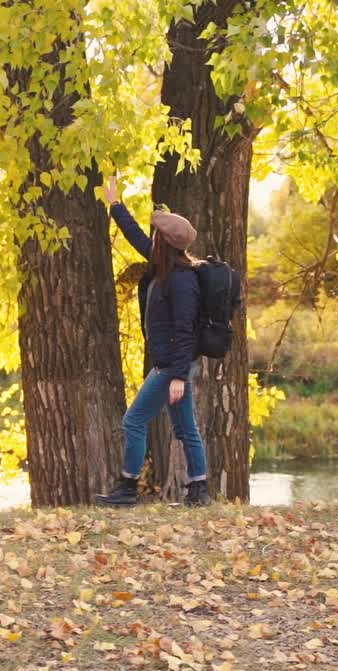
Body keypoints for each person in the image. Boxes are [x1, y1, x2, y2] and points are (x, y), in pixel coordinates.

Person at [96, 175, 210, 507]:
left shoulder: (182, 281)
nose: (152, 236)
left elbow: (185, 331)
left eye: (156, 233)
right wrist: (115, 204)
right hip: (170, 366)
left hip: (170, 367)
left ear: (165, 241)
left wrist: (177, 375)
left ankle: (128, 487)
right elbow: (134, 235)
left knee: (134, 419)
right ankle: (199, 490)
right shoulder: (164, 265)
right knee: (186, 428)